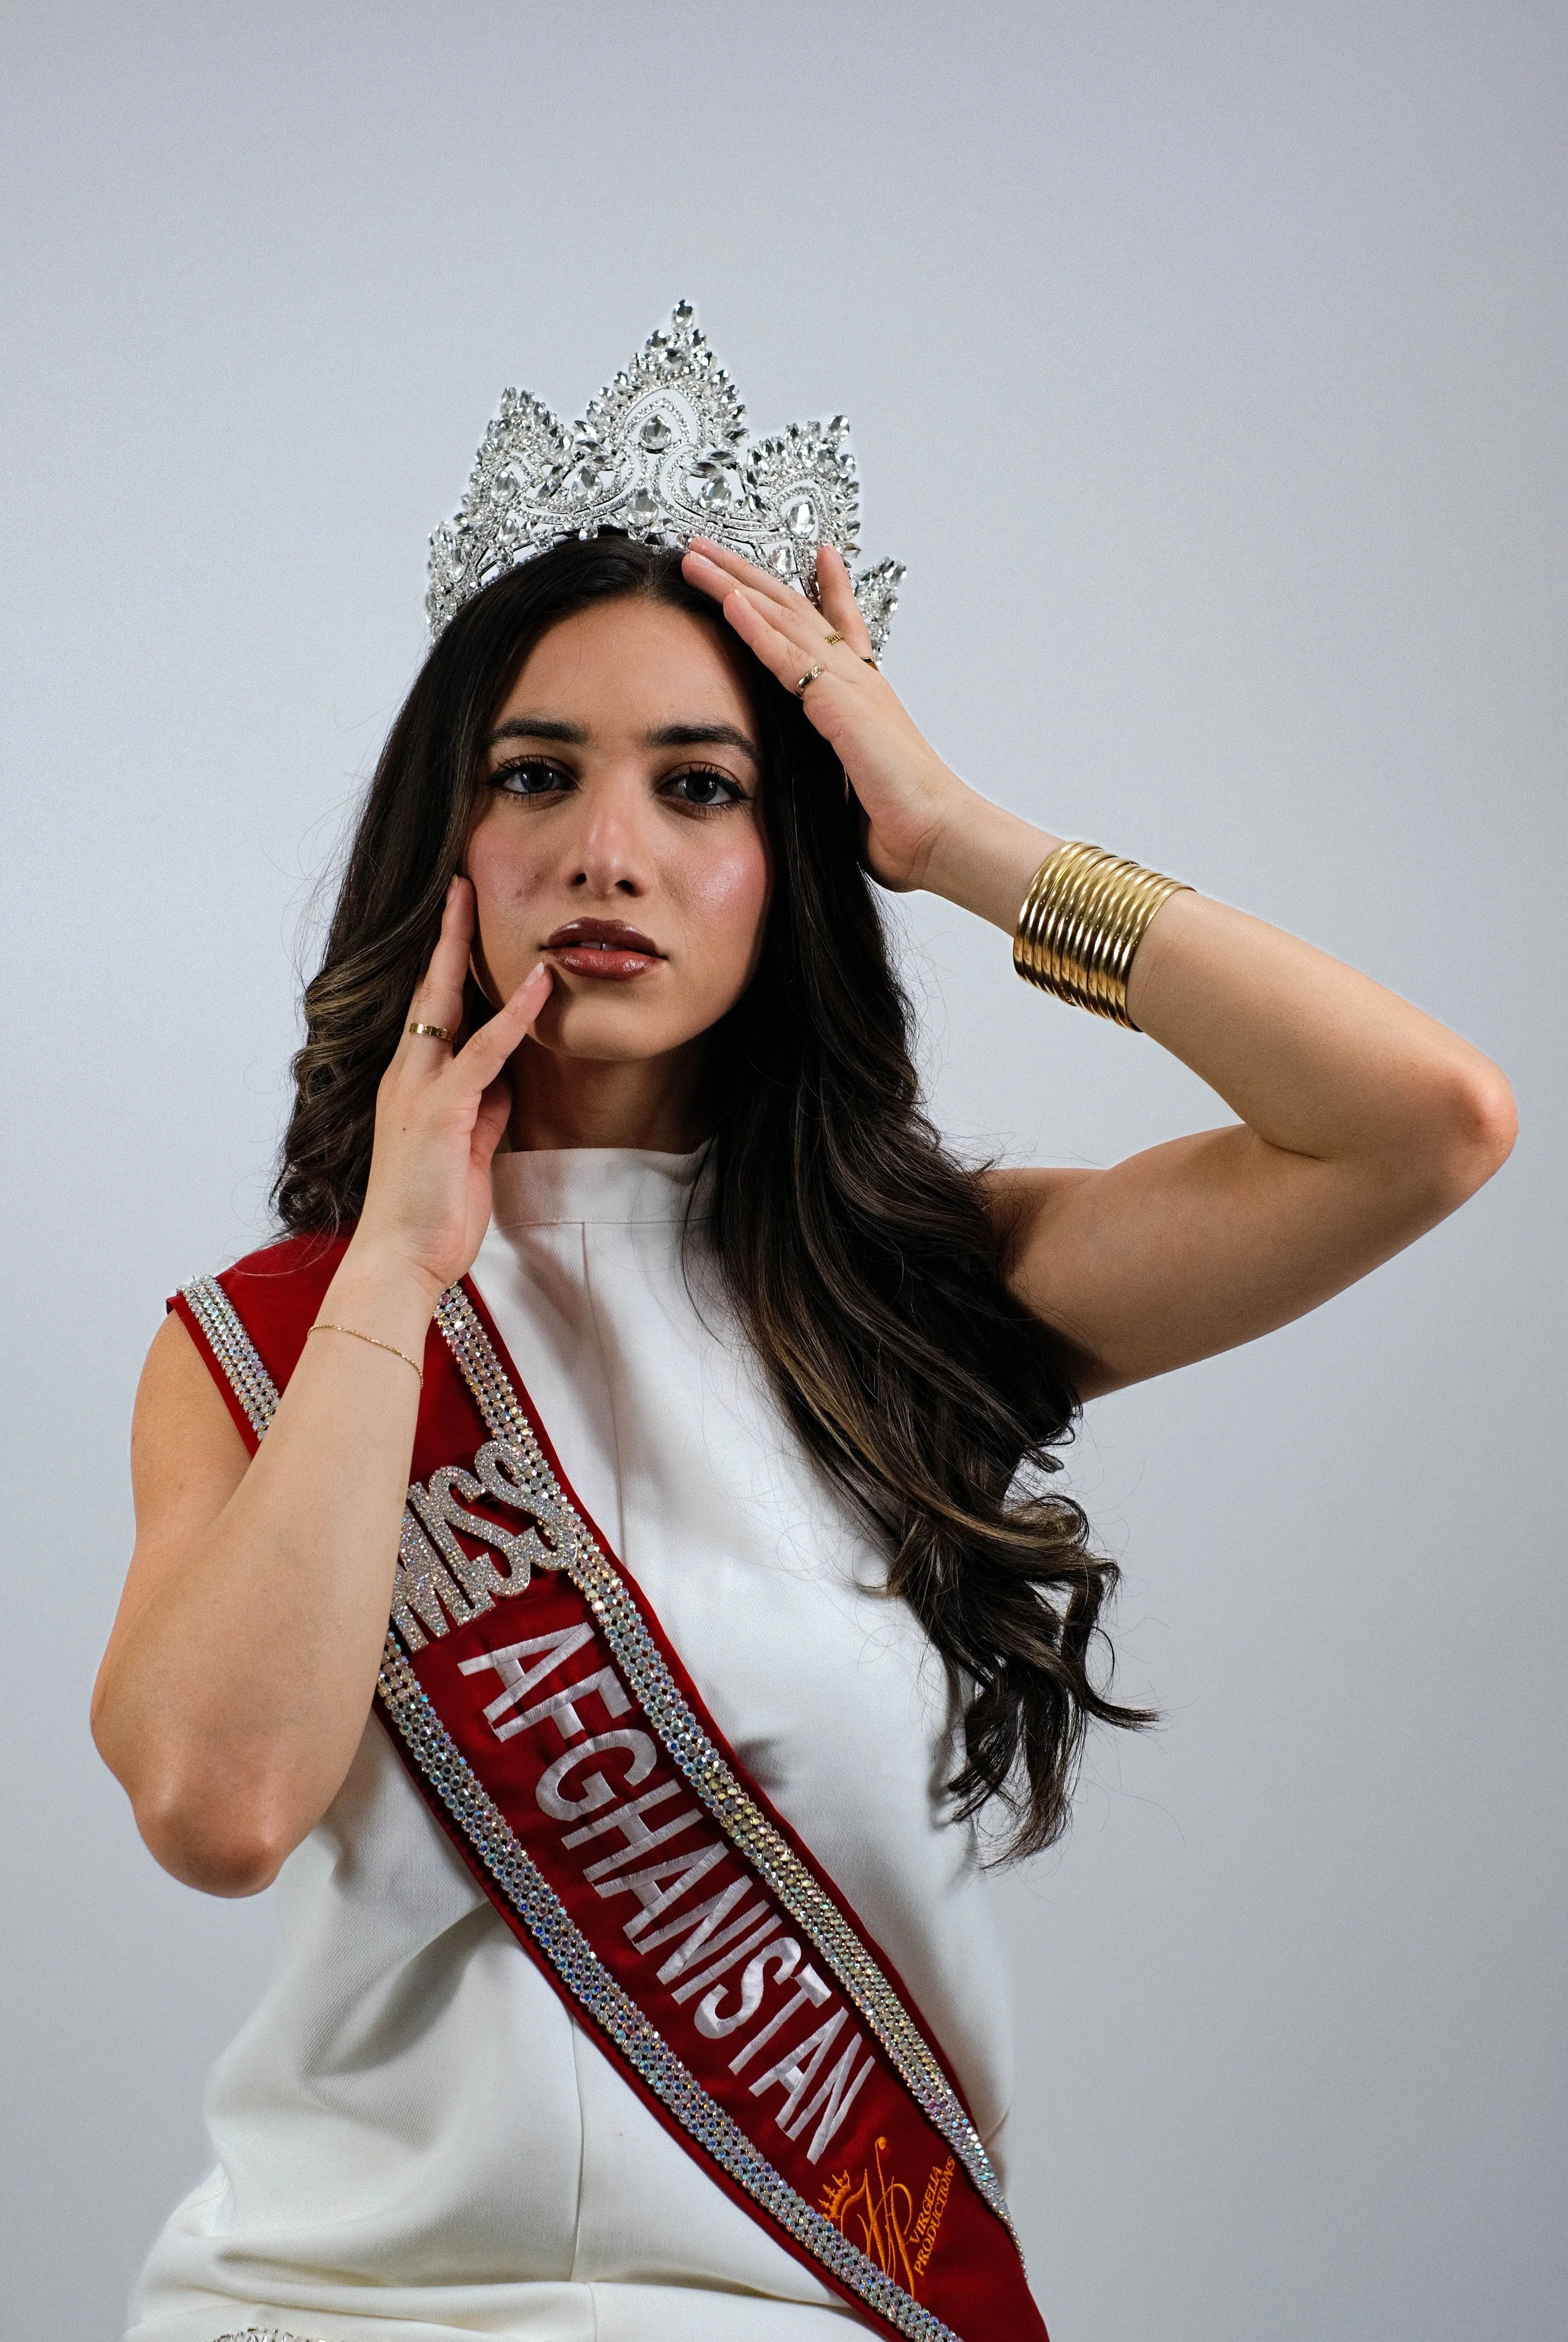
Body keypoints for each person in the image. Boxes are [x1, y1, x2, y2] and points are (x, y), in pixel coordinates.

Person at [93, 312, 1514, 2342]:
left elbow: (1424, 1124)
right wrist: (396, 1278)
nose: (608, 851)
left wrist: (956, 836)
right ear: (452, 847)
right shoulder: (266, 1339)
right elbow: (219, 1807)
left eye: (701, 787)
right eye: (535, 776)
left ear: (795, 860)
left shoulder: (925, 1290)